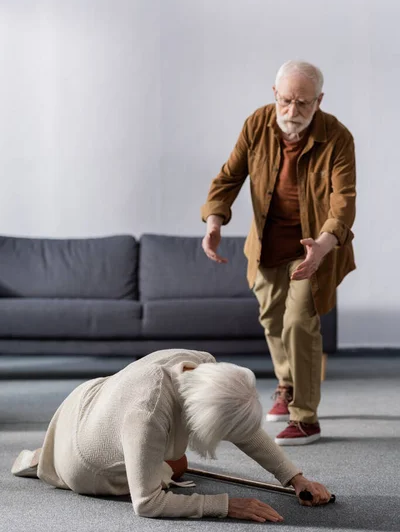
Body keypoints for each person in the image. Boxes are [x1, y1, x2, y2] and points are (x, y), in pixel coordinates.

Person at [201, 60, 356, 446]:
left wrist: (323, 244)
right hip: (267, 246)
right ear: (275, 95)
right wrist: (215, 221)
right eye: (286, 101)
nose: (292, 112)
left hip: (313, 250)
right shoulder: (257, 124)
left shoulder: (337, 137)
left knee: (299, 323)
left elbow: (343, 202)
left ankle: (306, 417)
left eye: (303, 103)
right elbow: (229, 176)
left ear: (319, 100)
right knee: (271, 320)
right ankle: (287, 384)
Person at [11, 348, 332, 522]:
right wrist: (226, 505)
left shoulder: (202, 365)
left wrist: (294, 477)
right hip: (85, 464)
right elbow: (147, 503)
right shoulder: (148, 416)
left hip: (93, 397)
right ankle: (54, 459)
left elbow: (244, 431)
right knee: (174, 467)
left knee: (176, 463)